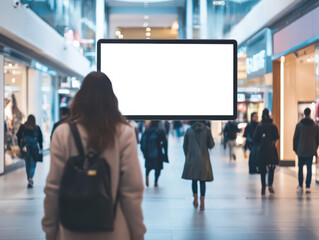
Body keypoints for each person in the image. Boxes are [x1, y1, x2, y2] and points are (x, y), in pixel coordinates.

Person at [42, 72, 146, 240]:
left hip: (71, 231)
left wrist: (50, 230)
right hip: (114, 231)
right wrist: (138, 233)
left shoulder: (63, 133)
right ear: (112, 100)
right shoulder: (123, 133)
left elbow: (53, 188)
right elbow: (131, 191)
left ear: (80, 98)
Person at [182, 121, 215, 211]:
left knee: (194, 180)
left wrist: (188, 156)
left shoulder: (189, 130)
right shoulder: (207, 130)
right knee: (202, 181)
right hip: (204, 160)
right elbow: (211, 145)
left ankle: (195, 198)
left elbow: (185, 146)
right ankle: (202, 201)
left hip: (192, 159)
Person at [253, 108, 279, 196]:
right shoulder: (273, 126)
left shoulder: (259, 126)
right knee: (271, 167)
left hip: (262, 150)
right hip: (271, 149)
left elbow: (255, 139)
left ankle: (263, 186)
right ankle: (270, 184)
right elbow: (276, 137)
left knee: (262, 169)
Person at [293, 108, 319, 194]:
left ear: (304, 114)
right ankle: (308, 186)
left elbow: (295, 138)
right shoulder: (315, 126)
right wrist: (315, 148)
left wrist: (295, 149)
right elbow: (317, 139)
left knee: (300, 168)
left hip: (301, 150)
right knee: (309, 168)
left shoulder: (299, 125)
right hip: (310, 150)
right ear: (310, 113)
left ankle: (300, 185)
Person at [16, 115, 43, 188]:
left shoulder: (23, 127)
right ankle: (30, 178)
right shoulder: (36, 128)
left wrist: (20, 146)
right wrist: (41, 148)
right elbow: (40, 139)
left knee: (27, 163)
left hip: (25, 148)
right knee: (33, 164)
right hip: (34, 149)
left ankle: (29, 178)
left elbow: (18, 136)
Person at [141, 121, 168, 187]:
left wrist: (144, 153)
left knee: (148, 167)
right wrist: (165, 154)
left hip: (148, 153)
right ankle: (156, 181)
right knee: (158, 168)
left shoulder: (146, 131)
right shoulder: (160, 131)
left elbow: (142, 142)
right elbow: (165, 143)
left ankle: (147, 176)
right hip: (158, 152)